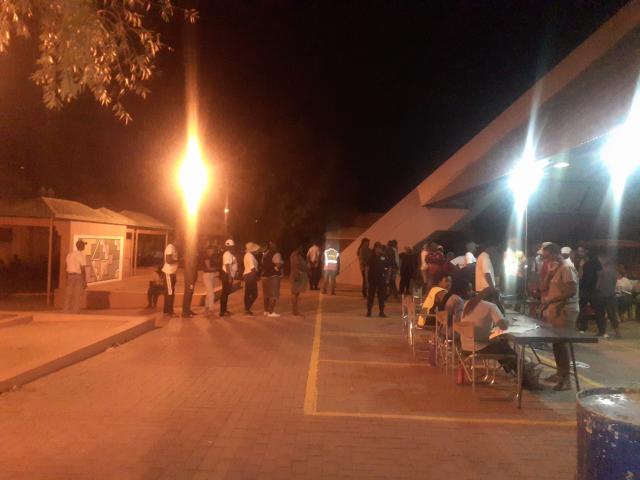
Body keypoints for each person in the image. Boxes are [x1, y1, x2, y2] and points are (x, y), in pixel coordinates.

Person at [540, 242, 580, 391]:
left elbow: (571, 290)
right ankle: (560, 373)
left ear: (555, 254)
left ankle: (566, 380)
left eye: (547, 257)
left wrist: (551, 301)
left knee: (562, 344)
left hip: (565, 311)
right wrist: (550, 272)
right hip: (555, 310)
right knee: (556, 343)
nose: (546, 260)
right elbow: (543, 287)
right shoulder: (557, 268)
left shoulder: (567, 268)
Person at [576, 246, 602, 333]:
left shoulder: (595, 261)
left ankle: (601, 330)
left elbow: (599, 275)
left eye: (581, 251)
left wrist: (597, 287)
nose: (579, 253)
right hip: (583, 289)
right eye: (578, 251)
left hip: (593, 290)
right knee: (582, 309)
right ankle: (583, 328)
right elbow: (579, 277)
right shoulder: (580, 262)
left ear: (586, 251)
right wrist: (580, 266)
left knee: (597, 309)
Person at [594, 254, 620, 338]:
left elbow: (597, 285)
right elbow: (615, 283)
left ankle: (602, 331)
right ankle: (617, 332)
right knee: (612, 314)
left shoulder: (601, 272)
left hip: (601, 295)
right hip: (611, 295)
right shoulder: (614, 272)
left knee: (600, 314)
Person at [366, 243, 390, 318]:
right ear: (375, 249)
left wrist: (387, 279)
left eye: (379, 248)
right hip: (372, 279)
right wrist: (366, 281)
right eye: (377, 248)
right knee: (371, 296)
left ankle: (381, 311)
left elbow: (388, 268)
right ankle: (369, 311)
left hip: (381, 279)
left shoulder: (384, 257)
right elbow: (367, 269)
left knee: (381, 296)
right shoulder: (370, 257)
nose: (378, 249)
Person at [63, 239, 88, 313]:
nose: (84, 247)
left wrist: (66, 276)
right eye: (84, 245)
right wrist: (84, 280)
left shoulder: (70, 254)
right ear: (82, 246)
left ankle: (65, 309)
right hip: (78, 276)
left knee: (68, 293)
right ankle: (75, 310)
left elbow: (65, 266)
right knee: (77, 294)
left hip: (70, 275)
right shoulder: (81, 255)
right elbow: (82, 269)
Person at [262, 241, 283, 317]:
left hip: (265, 276)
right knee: (274, 294)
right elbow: (277, 265)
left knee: (266, 295)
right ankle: (271, 312)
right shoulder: (276, 253)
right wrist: (281, 264)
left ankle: (266, 311)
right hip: (274, 276)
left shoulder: (265, 254)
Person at [219, 239, 238, 317]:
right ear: (230, 246)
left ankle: (224, 310)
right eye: (232, 246)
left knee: (226, 293)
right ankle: (222, 311)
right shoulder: (227, 254)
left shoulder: (229, 254)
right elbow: (227, 266)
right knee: (224, 293)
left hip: (228, 275)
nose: (233, 248)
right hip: (227, 275)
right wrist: (230, 277)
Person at [290, 244, 309, 316]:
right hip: (297, 275)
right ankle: (295, 311)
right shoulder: (295, 255)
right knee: (295, 293)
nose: (302, 249)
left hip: (297, 274)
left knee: (296, 293)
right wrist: (296, 275)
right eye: (301, 248)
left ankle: (295, 310)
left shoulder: (296, 255)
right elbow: (296, 265)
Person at [162, 234, 179, 317]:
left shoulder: (174, 248)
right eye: (178, 240)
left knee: (170, 292)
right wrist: (178, 261)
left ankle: (166, 310)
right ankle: (170, 311)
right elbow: (168, 260)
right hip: (168, 273)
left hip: (172, 273)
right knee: (170, 292)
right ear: (174, 240)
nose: (180, 242)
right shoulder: (170, 247)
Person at [202, 244, 220, 317]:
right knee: (211, 294)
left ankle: (206, 310)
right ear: (208, 250)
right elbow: (208, 268)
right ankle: (211, 311)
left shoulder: (211, 257)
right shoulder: (206, 257)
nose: (213, 251)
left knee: (208, 294)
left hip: (210, 276)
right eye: (212, 250)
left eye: (213, 250)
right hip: (207, 276)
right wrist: (217, 269)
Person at [243, 242, 260, 315]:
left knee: (249, 293)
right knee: (253, 293)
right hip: (250, 275)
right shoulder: (249, 255)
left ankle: (247, 308)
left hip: (249, 275)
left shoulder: (249, 255)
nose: (257, 251)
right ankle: (247, 308)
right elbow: (252, 268)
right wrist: (257, 276)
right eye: (255, 249)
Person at [182, 250, 198, 318]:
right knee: (188, 294)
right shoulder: (188, 262)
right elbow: (189, 272)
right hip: (189, 281)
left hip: (191, 280)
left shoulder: (191, 261)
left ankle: (188, 310)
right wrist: (191, 282)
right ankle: (185, 312)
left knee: (189, 294)